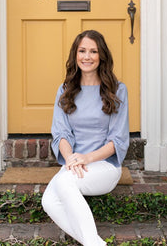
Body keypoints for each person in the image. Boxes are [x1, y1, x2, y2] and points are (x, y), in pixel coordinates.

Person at [42, 30, 129, 246]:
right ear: (75, 55)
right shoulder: (65, 90)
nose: (87, 57)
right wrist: (71, 159)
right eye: (82, 51)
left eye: (93, 51)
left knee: (63, 183)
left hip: (104, 165)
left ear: (102, 57)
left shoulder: (117, 90)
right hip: (74, 165)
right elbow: (61, 133)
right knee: (49, 201)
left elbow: (117, 140)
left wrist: (86, 159)